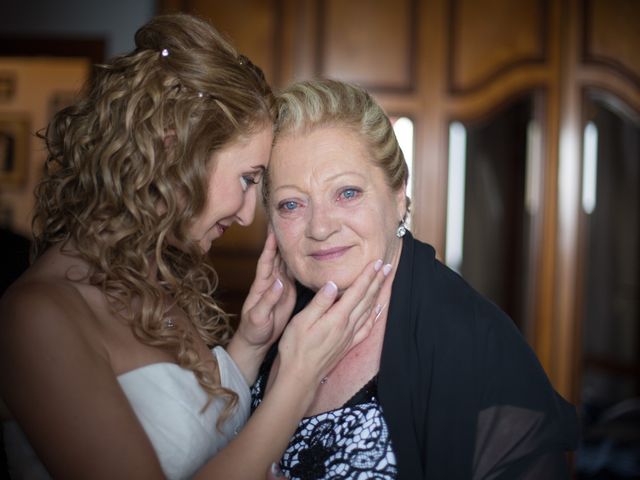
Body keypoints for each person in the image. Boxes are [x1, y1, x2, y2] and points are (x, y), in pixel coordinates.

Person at [0, 16, 391, 480]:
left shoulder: (152, 278)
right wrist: (297, 379)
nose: (249, 214)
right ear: (176, 153)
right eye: (248, 179)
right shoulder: (38, 315)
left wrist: (250, 344)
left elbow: (196, 428)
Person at [253, 78, 580, 479]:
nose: (319, 227)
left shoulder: (477, 344)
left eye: (348, 193)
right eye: (291, 204)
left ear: (398, 194)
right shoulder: (270, 323)